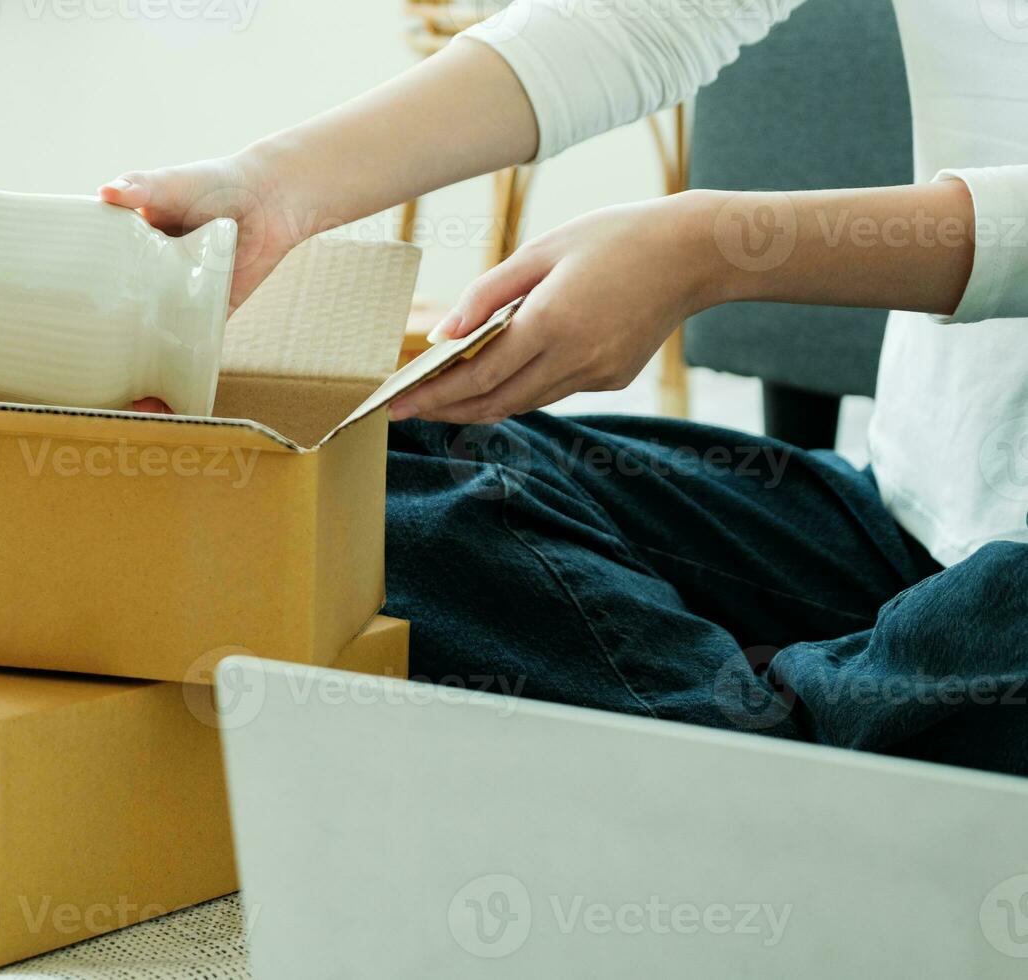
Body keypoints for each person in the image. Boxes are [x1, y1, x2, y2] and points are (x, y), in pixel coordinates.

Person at [98, 0, 1028, 775]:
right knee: (371, 465)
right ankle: (792, 756)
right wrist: (277, 185)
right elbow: (642, 17)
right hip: (908, 517)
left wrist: (707, 249)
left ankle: (771, 769)